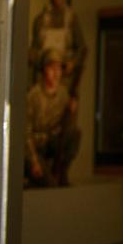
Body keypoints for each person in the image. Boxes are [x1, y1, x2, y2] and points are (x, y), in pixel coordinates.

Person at [25, 49, 80, 187]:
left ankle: (62, 170)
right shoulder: (33, 96)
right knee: (49, 184)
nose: (56, 73)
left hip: (53, 143)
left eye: (59, 68)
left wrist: (72, 112)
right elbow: (26, 133)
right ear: (44, 70)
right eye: (52, 68)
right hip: (36, 148)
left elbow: (68, 127)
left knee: (75, 135)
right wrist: (34, 161)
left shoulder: (63, 94)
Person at [29, 0, 88, 93]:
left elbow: (82, 49)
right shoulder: (40, 19)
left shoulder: (72, 19)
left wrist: (73, 62)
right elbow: (35, 48)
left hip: (65, 78)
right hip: (43, 77)